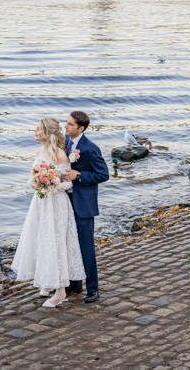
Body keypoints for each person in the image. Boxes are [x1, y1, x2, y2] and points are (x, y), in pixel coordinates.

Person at [10, 117, 86, 308]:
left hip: (57, 204)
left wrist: (53, 184)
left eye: (38, 129)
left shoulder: (60, 154)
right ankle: (46, 281)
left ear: (48, 133)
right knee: (41, 239)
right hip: (41, 203)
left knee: (56, 242)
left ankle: (60, 292)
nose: (35, 132)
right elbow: (32, 178)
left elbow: (69, 183)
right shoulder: (39, 151)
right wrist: (36, 183)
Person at [61, 110, 109, 302]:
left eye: (70, 124)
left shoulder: (90, 148)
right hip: (64, 201)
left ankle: (93, 288)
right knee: (69, 243)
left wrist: (79, 175)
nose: (66, 126)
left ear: (80, 128)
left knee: (86, 246)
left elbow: (103, 175)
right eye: (66, 123)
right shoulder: (64, 143)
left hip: (84, 204)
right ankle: (74, 283)